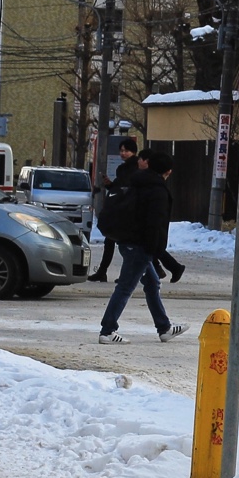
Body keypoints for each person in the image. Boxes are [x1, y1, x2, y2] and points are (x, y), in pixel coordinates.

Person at [99, 149, 187, 345]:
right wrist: (153, 250)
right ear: (168, 171)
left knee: (152, 284)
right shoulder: (157, 191)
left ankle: (164, 328)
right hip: (139, 246)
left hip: (128, 242)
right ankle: (107, 331)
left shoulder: (137, 182)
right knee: (125, 288)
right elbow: (154, 224)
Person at [87, 138, 140, 281]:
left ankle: (131, 273)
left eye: (126, 151)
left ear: (133, 152)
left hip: (126, 209)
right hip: (120, 208)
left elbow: (126, 187)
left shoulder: (134, 168)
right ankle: (103, 271)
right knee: (111, 240)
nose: (123, 153)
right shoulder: (123, 168)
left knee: (126, 243)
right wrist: (109, 184)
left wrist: (115, 187)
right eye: (121, 150)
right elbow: (119, 186)